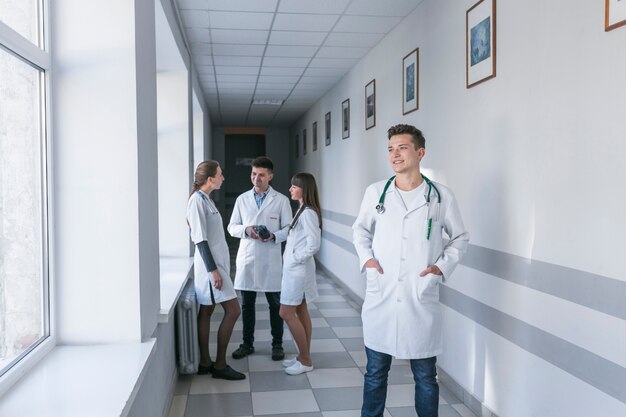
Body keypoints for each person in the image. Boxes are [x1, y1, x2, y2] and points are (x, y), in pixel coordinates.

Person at [352, 124, 469, 417]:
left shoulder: (441, 196)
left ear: (420, 152)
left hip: (420, 295)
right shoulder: (376, 192)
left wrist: (440, 269)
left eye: (402, 147)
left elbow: (460, 238)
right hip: (382, 293)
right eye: (390, 148)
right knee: (375, 373)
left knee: (426, 377)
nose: (395, 154)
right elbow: (360, 231)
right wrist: (367, 261)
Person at [227, 156, 293, 361]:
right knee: (247, 305)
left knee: (275, 305)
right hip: (248, 258)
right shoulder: (242, 200)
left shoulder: (281, 200)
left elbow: (289, 229)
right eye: (254, 174)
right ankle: (247, 344)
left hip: (270, 257)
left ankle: (277, 345)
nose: (256, 178)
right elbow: (231, 228)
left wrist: (274, 236)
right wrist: (246, 230)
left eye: (261, 175)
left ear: (270, 177)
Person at [187, 161, 245, 381]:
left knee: (207, 311)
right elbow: (200, 240)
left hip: (215, 265)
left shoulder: (205, 200)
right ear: (210, 178)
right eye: (220, 174)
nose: (223, 178)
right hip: (210, 268)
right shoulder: (196, 202)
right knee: (233, 310)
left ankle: (204, 363)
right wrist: (213, 272)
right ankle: (219, 365)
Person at [279, 172, 322, 376]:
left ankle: (305, 360)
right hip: (294, 270)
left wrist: (295, 258)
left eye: (294, 187)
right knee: (301, 310)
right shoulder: (302, 209)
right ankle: (302, 356)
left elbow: (314, 244)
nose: (290, 190)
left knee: (286, 312)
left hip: (299, 270)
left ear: (304, 189)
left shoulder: (308, 213)